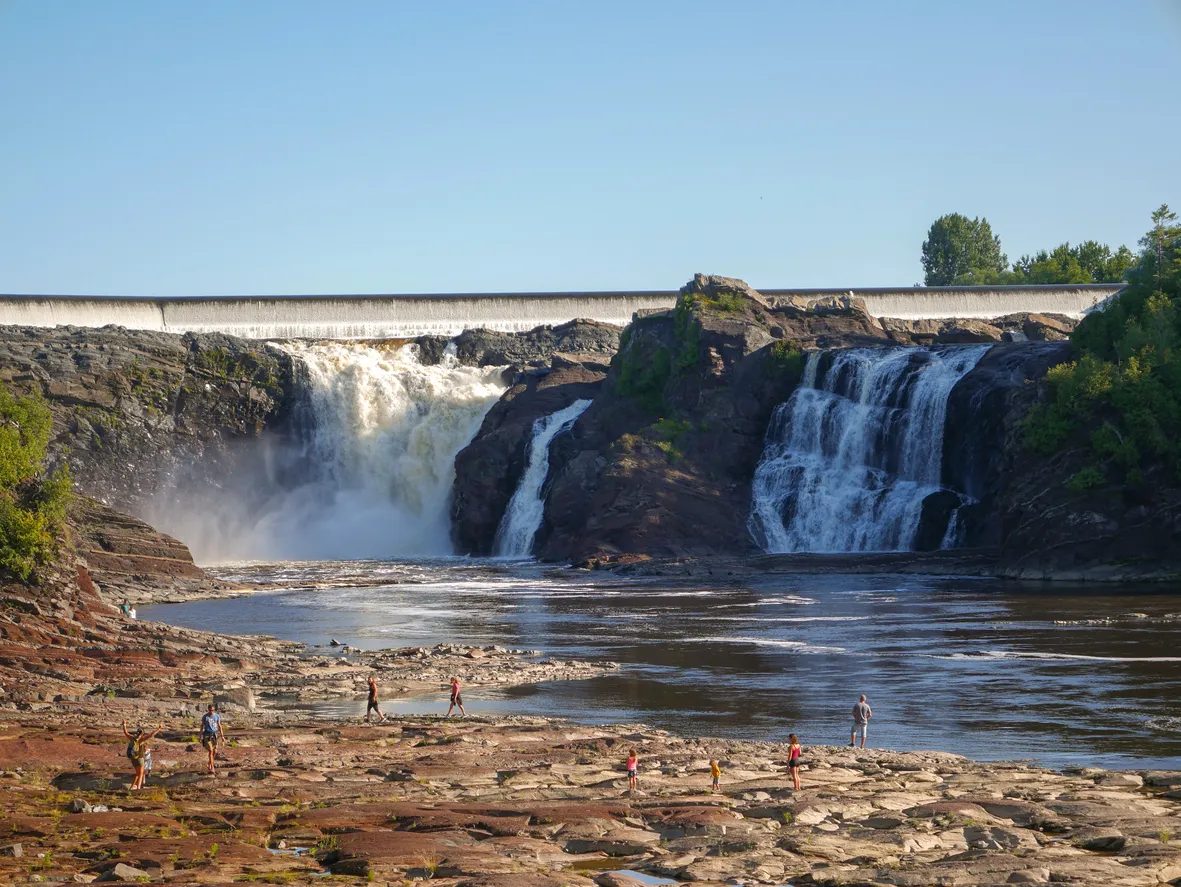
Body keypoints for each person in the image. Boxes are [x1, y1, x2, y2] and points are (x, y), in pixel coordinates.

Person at [121, 720, 163, 791]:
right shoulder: (141, 739)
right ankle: (138, 788)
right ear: (142, 733)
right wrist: (159, 728)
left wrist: (124, 724)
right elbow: (151, 735)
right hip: (140, 758)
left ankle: (132, 786)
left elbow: (125, 732)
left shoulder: (132, 738)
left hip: (133, 758)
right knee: (140, 774)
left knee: (137, 773)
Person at [200, 704, 225, 774]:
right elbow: (202, 726)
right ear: (208, 709)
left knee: (215, 751)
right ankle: (212, 767)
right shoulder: (205, 716)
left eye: (213, 710)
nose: (211, 711)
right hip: (206, 735)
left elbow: (219, 726)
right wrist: (200, 736)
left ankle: (209, 763)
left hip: (214, 735)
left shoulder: (217, 716)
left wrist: (222, 736)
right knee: (210, 750)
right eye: (210, 710)